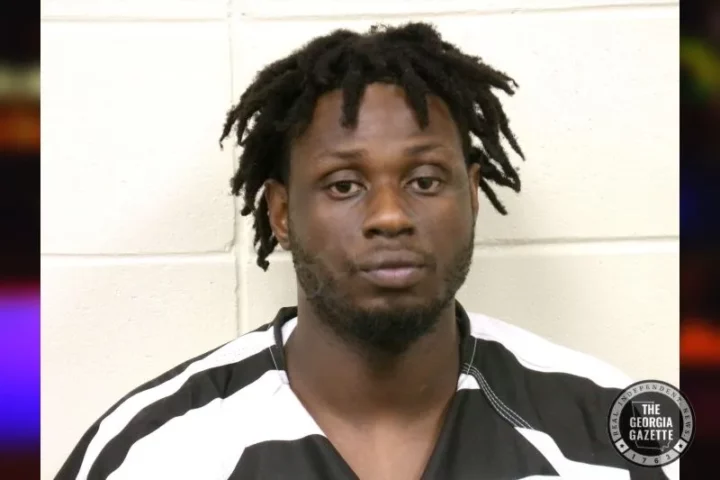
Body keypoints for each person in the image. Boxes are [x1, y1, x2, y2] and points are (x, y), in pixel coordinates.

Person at [55, 22, 675, 480]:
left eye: (424, 180)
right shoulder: (151, 453)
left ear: (472, 196)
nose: (389, 216)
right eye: (343, 185)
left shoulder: (613, 432)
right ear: (281, 213)